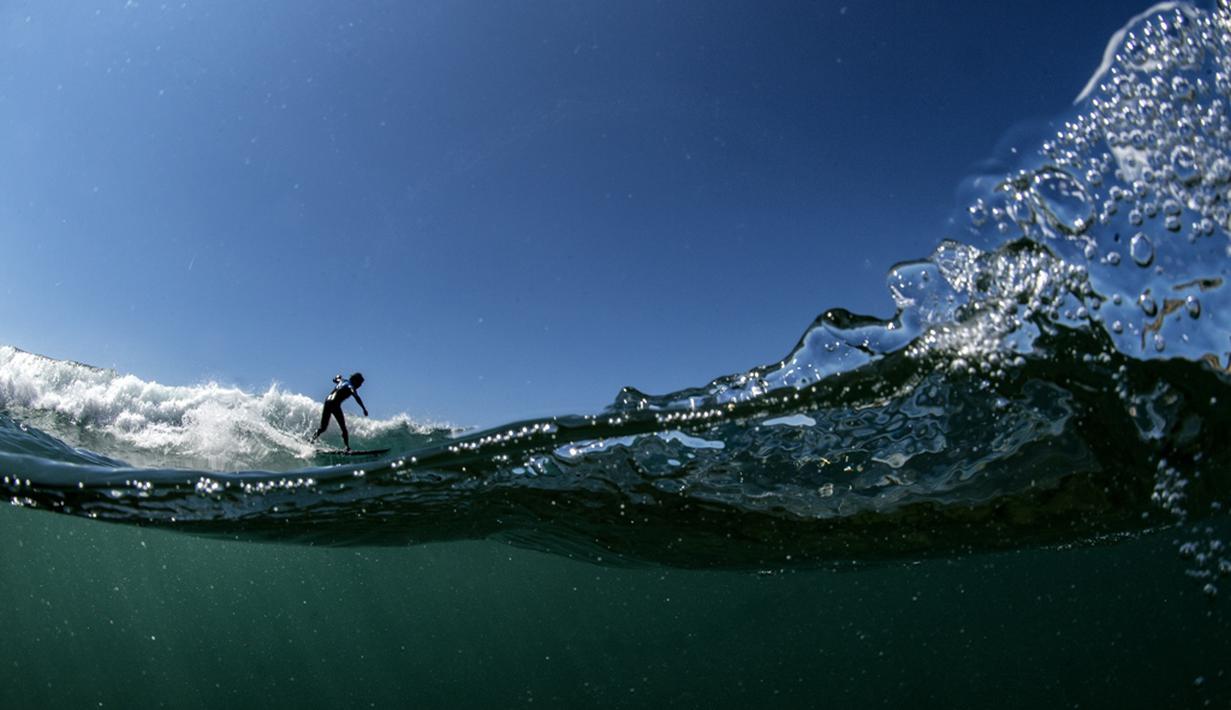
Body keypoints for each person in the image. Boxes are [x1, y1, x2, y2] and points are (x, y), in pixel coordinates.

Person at [310, 372, 368, 451]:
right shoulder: (350, 386)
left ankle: (311, 440)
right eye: (359, 383)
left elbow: (335, 379)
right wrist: (363, 408)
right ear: (355, 380)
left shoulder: (342, 381)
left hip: (327, 402)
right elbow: (356, 396)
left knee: (323, 428)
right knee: (343, 428)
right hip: (334, 405)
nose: (359, 386)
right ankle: (347, 447)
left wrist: (338, 376)